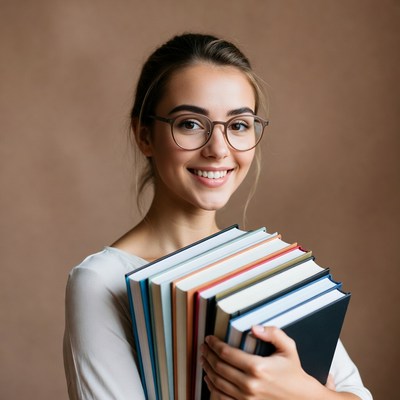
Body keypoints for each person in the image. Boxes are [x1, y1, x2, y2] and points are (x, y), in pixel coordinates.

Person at [63, 33, 372, 400]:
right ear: (144, 135)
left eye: (239, 125)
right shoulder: (102, 283)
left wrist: (302, 394)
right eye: (191, 124)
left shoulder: (269, 264)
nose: (219, 149)